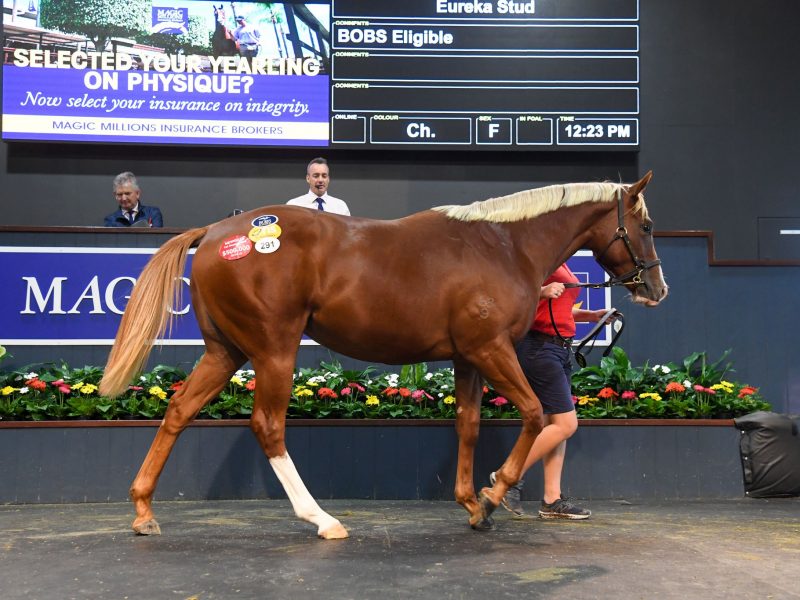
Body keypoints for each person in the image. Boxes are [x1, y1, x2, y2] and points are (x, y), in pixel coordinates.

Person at [490, 263, 611, 519]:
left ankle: (551, 500)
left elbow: (556, 309)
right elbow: (508, 296)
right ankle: (508, 475)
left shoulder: (560, 261)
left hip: (558, 348)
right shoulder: (540, 260)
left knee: (554, 426)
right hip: (540, 348)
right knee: (567, 425)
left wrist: (591, 316)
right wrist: (542, 291)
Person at [287, 157, 351, 215]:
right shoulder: (293, 205)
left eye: (324, 176)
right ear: (308, 178)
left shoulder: (341, 207)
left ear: (328, 179)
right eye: (316, 176)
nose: (320, 180)